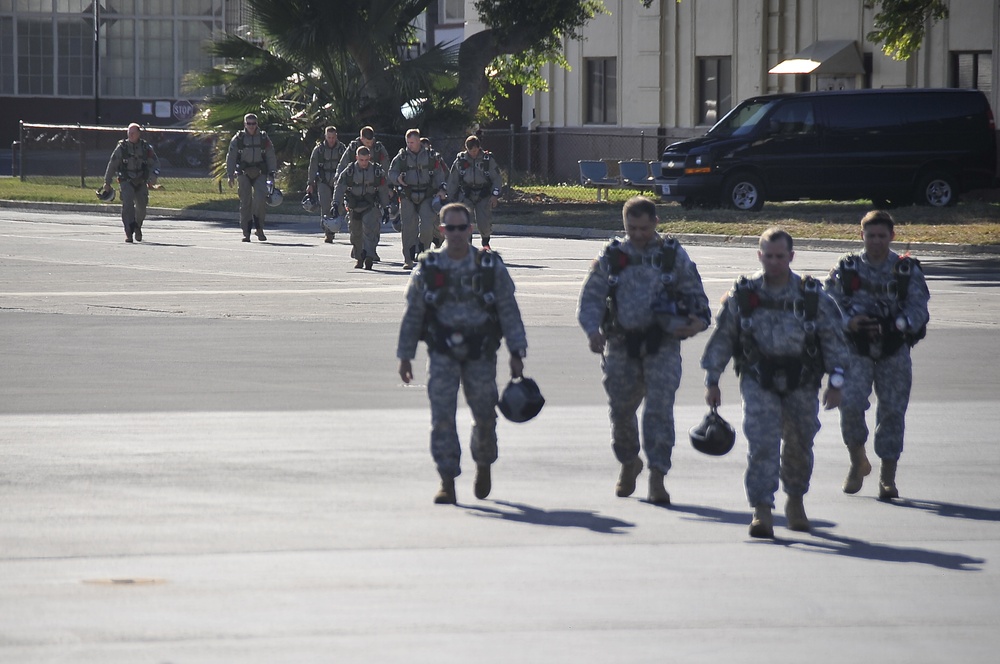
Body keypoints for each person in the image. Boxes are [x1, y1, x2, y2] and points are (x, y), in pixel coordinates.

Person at [701, 227, 850, 538]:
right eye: (768, 256)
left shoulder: (812, 296)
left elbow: (834, 340)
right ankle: (762, 510)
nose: (774, 262)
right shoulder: (744, 294)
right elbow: (724, 338)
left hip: (802, 381)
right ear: (759, 256)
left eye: (780, 256)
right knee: (762, 444)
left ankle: (795, 500)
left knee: (800, 442)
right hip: (758, 380)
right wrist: (712, 379)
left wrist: (836, 382)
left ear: (791, 257)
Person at [577, 196, 711, 504]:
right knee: (621, 411)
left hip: (662, 345)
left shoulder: (672, 256)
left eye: (643, 228)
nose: (637, 234)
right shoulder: (612, 255)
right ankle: (628, 461)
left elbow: (697, 298)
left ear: (656, 223)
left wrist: (696, 322)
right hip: (621, 345)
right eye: (631, 228)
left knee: (658, 412)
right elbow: (591, 297)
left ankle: (657, 476)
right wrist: (591, 330)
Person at [397, 203, 528, 504]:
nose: (456, 234)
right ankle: (447, 480)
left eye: (462, 228)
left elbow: (508, 309)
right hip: (442, 353)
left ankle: (483, 463)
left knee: (484, 415)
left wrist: (516, 350)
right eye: (450, 228)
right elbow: (414, 313)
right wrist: (405, 356)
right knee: (442, 417)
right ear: (441, 230)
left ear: (471, 229)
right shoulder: (429, 267)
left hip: (480, 353)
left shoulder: (489, 266)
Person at [823, 210, 930, 500]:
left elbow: (919, 308)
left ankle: (887, 476)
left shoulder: (905, 270)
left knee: (893, 412)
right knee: (850, 405)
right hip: (855, 350)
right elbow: (828, 303)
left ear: (892, 236)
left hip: (893, 350)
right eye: (871, 236)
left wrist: (899, 325)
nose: (877, 241)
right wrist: (850, 322)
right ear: (862, 236)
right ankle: (857, 460)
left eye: (882, 236)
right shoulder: (847, 267)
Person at [388, 128, 447, 269]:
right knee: (408, 228)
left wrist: (442, 189)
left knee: (427, 226)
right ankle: (408, 259)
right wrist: (397, 178)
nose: (410, 145)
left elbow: (439, 174)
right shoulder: (401, 157)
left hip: (427, 195)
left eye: (412, 142)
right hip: (408, 195)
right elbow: (391, 172)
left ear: (419, 141)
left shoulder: (431, 156)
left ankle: (424, 252)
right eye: (408, 142)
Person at [337, 126, 391, 260]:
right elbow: (342, 166)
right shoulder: (352, 149)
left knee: (373, 223)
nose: (369, 144)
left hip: (373, 189)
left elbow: (386, 166)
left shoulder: (379, 149)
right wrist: (338, 184)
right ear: (361, 139)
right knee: (355, 227)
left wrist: (388, 187)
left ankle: (371, 251)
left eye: (371, 141)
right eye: (367, 142)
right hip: (354, 190)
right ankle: (358, 249)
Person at [102, 123, 161, 243]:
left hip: (141, 180)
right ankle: (128, 231)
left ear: (139, 134)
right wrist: (107, 182)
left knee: (142, 206)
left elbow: (156, 163)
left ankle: (137, 226)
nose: (131, 135)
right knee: (127, 205)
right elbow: (112, 165)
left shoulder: (145, 148)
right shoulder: (121, 148)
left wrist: (153, 176)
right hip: (126, 181)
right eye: (129, 133)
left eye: (133, 133)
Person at [225, 113, 278, 242]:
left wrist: (272, 172)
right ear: (244, 124)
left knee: (260, 200)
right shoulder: (239, 138)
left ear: (257, 124)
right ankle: (246, 231)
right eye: (249, 123)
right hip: (244, 173)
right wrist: (230, 174)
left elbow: (270, 155)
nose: (251, 126)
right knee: (245, 203)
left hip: (260, 172)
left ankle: (259, 229)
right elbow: (231, 156)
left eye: (253, 123)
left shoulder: (264, 138)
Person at [446, 135, 504, 249]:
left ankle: (485, 241)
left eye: (476, 150)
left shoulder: (487, 160)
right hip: (466, 194)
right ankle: (467, 245)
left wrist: (495, 195)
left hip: (484, 194)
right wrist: (450, 198)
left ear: (479, 148)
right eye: (471, 151)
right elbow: (453, 180)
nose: (474, 153)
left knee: (484, 223)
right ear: (466, 149)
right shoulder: (461, 160)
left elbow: (497, 178)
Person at [306, 126, 348, 243]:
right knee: (325, 206)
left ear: (336, 136)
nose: (331, 140)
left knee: (338, 206)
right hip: (323, 181)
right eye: (329, 137)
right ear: (325, 136)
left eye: (333, 137)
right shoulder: (319, 150)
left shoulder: (342, 149)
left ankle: (334, 226)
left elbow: (347, 165)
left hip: (337, 180)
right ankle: (328, 233)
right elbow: (313, 167)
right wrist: (310, 183)